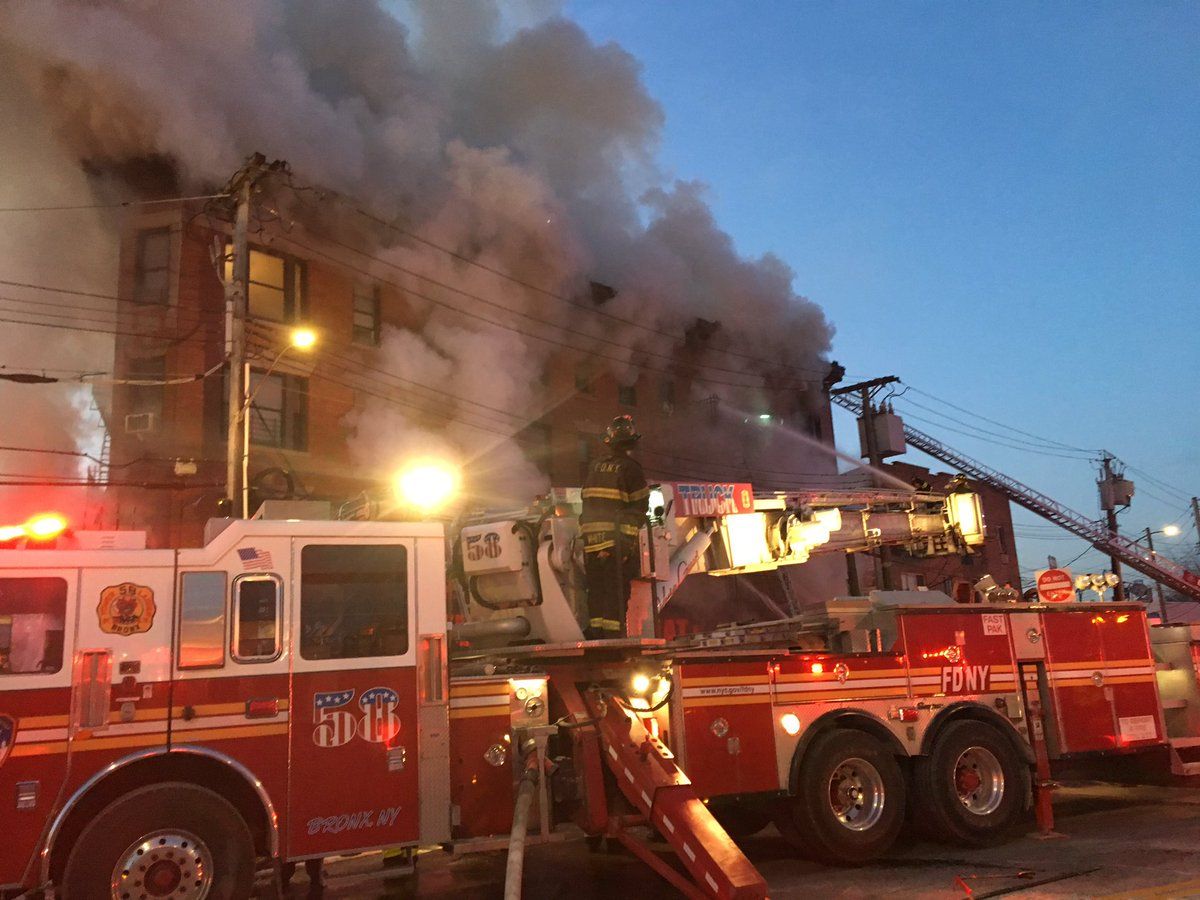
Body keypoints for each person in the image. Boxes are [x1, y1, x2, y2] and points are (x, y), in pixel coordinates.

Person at [580, 415, 649, 639]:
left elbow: (585, 499)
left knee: (596, 588)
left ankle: (595, 631)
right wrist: (626, 546)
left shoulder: (595, 466)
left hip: (591, 541)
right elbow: (638, 509)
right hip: (615, 540)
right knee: (616, 589)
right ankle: (612, 635)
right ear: (631, 442)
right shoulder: (631, 469)